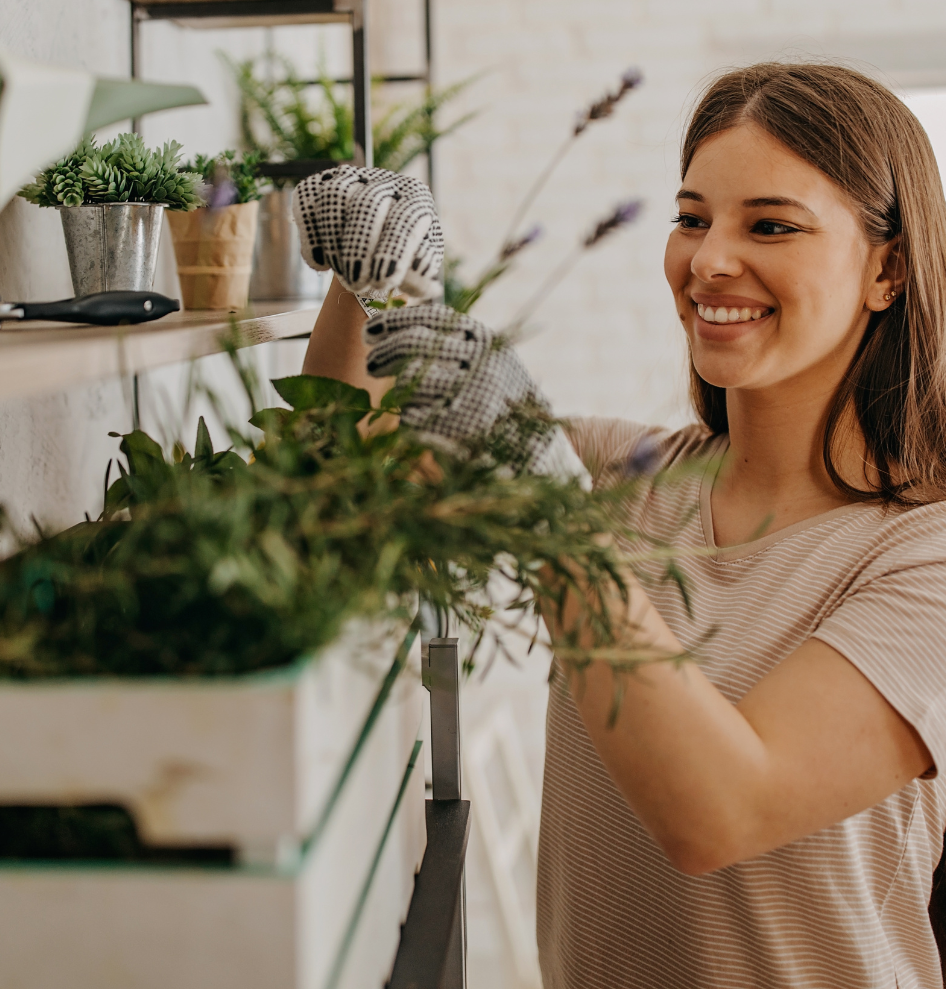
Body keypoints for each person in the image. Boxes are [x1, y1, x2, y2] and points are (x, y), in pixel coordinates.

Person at [297, 62, 946, 988]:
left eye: (770, 225)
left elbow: (718, 811)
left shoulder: (924, 556)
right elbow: (337, 469)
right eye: (691, 219)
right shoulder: (618, 475)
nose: (709, 260)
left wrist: (548, 510)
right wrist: (374, 283)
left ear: (887, 269)